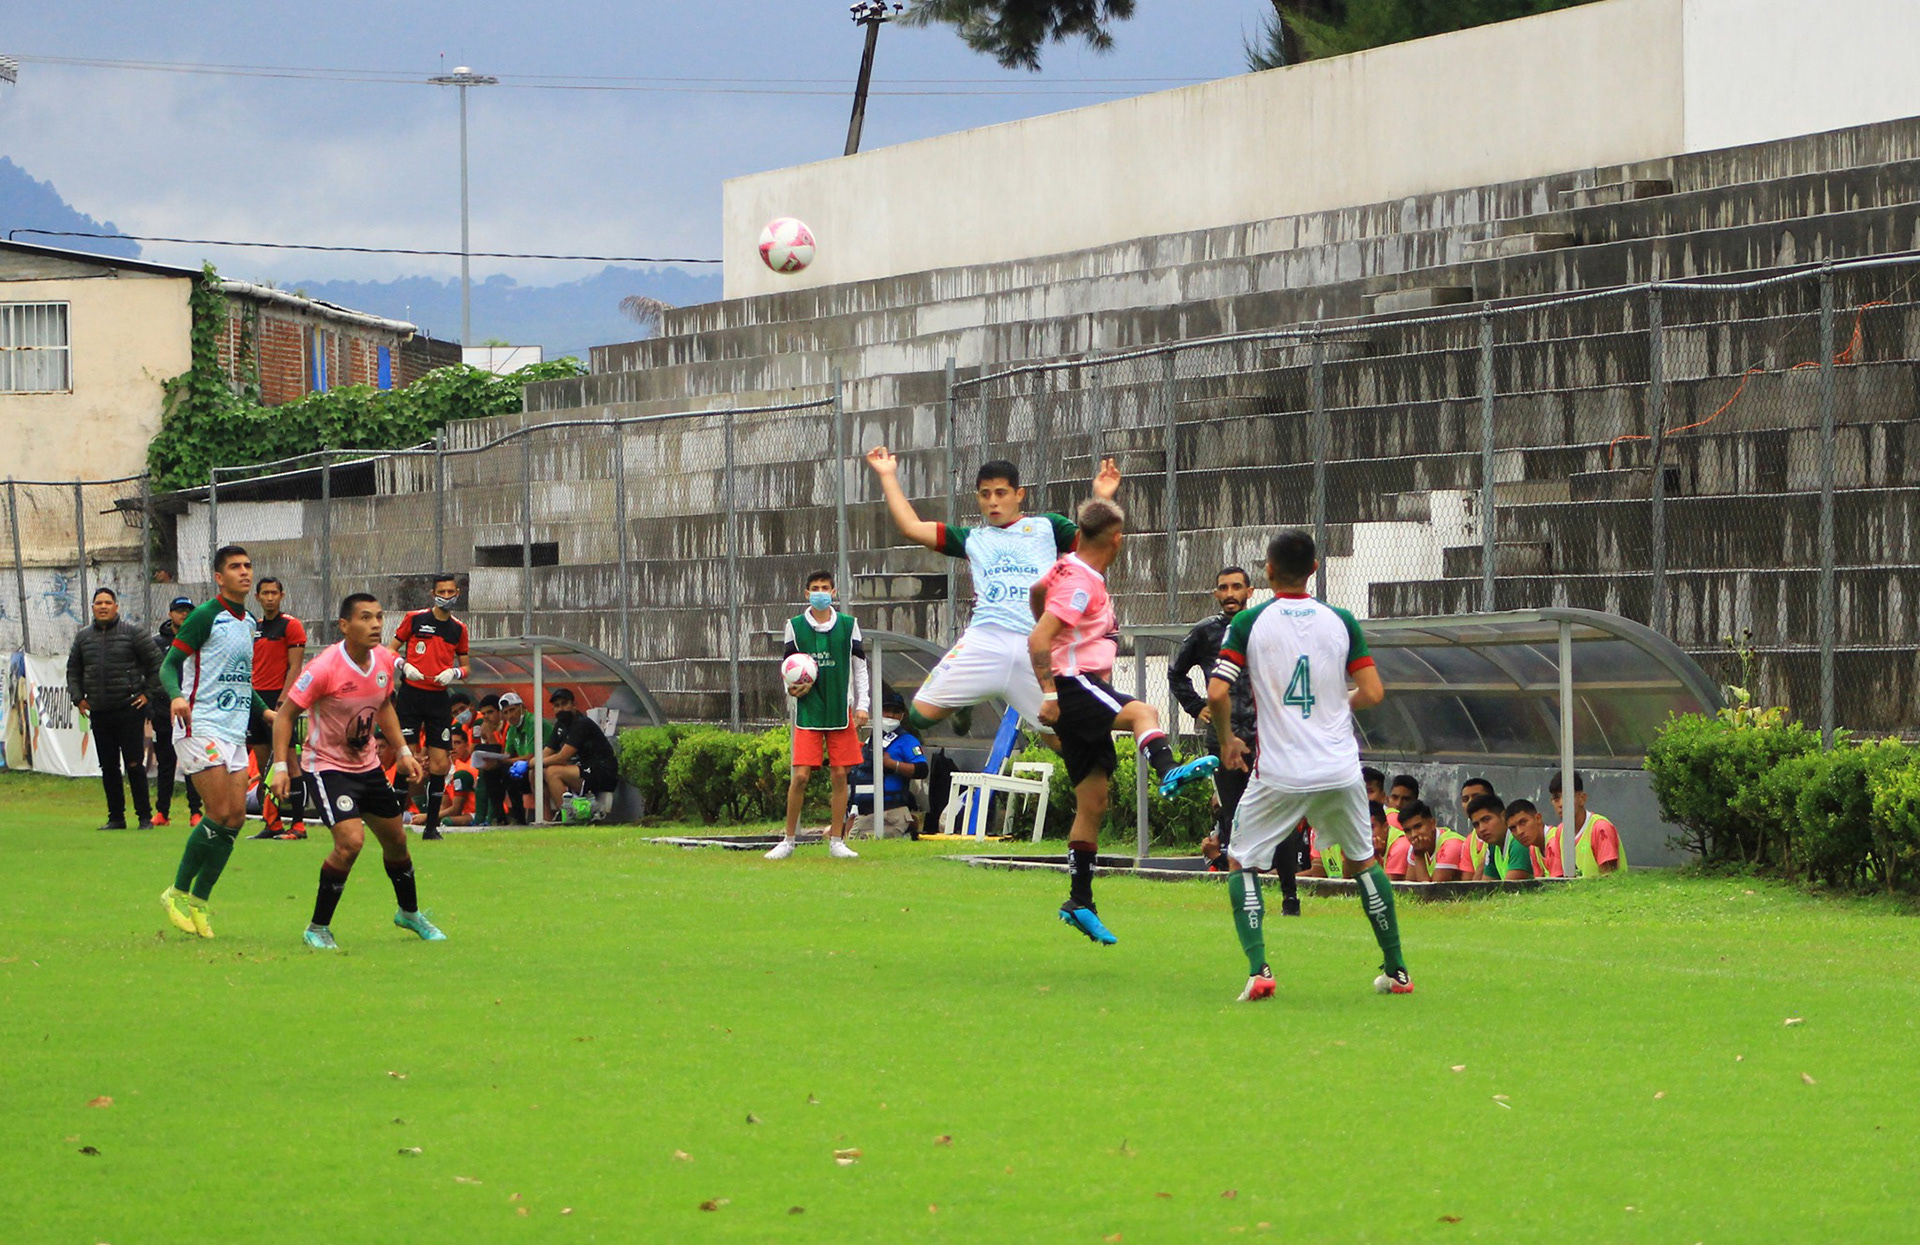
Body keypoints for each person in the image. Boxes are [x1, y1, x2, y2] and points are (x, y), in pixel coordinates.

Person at [1206, 528, 1411, 1000]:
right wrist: (1336, 707)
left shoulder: (1250, 622)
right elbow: (1375, 692)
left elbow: (1217, 691)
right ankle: (1397, 971)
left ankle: (1260, 969)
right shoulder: (1340, 620)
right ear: (1315, 570)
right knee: (1363, 862)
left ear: (1268, 571)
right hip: (1339, 767)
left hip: (1280, 770)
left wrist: (1227, 739)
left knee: (1242, 860)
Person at [1029, 498, 1215, 945]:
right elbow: (1039, 637)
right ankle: (1168, 770)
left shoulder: (1065, 565)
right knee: (1142, 713)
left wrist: (1101, 492)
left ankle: (1079, 901)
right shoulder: (1082, 582)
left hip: (1076, 684)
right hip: (1075, 684)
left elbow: (1038, 594)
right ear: (1118, 540)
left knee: (1093, 801)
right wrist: (1051, 692)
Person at [865, 447, 1121, 737]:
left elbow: (1091, 544)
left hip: (1034, 645)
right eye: (985, 494)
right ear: (978, 498)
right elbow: (912, 528)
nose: (993, 501)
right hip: (985, 639)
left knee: (1066, 741)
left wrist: (1103, 497)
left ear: (1019, 494)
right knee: (920, 715)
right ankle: (965, 703)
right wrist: (887, 475)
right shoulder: (973, 538)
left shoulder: (1046, 526)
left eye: (1001, 493)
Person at [273, 592, 445, 950]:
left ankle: (409, 914)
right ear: (344, 625)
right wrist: (279, 766)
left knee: (397, 842)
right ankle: (317, 928)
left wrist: (402, 752)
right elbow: (286, 715)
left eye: (379, 617)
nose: (376, 625)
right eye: (366, 618)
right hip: (327, 767)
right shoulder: (323, 667)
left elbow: (384, 707)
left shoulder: (383, 660)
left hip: (367, 766)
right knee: (351, 842)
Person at [158, 546, 270, 939]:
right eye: (235, 567)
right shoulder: (206, 616)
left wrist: (265, 712)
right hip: (199, 724)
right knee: (219, 809)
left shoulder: (249, 622)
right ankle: (176, 892)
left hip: (234, 729)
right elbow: (169, 665)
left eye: (248, 565)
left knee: (236, 818)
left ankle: (200, 901)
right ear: (219, 578)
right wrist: (175, 696)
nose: (244, 572)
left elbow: (242, 678)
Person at [766, 571, 872, 859]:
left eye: (825, 588)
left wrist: (864, 704)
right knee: (800, 777)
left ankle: (837, 841)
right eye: (815, 588)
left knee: (840, 775)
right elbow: (788, 667)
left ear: (834, 593)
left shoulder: (849, 625)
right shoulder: (795, 626)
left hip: (840, 710)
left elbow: (859, 666)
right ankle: (788, 840)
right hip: (809, 713)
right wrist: (791, 689)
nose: (820, 592)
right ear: (806, 593)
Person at [66, 587, 162, 830]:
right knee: (108, 766)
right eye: (99, 603)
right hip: (99, 711)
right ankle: (116, 818)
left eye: (108, 602)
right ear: (92, 608)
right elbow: (73, 670)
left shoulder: (134, 633)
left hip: (128, 708)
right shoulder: (83, 637)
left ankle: (144, 817)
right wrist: (78, 698)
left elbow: (158, 665)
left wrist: (147, 694)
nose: (103, 607)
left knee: (133, 764)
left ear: (116, 607)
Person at [388, 573, 470, 841]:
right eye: (441, 592)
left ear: (457, 592)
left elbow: (467, 666)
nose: (446, 596)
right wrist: (403, 665)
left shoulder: (459, 629)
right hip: (411, 696)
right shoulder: (415, 619)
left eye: (450, 592)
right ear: (433, 593)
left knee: (440, 763)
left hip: (438, 700)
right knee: (406, 760)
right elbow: (389, 651)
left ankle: (431, 827)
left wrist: (455, 674)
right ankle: (394, 824)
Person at [247, 577, 310, 840]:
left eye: (274, 593)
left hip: (280, 701)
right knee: (264, 765)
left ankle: (298, 825)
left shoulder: (290, 625)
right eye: (265, 593)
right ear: (258, 597)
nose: (270, 597)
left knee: (290, 763)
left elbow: (295, 667)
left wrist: (284, 702)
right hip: (256, 702)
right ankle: (272, 823)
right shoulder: (255, 627)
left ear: (282, 595)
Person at [841, 688, 930, 838]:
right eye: (886, 710)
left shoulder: (907, 741)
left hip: (890, 813)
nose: (890, 715)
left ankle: (907, 830)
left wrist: (892, 764)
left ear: (902, 715)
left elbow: (922, 770)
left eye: (895, 712)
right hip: (864, 812)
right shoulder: (873, 738)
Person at [150, 596, 202, 827]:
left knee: (193, 761)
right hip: (163, 710)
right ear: (170, 614)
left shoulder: (199, 639)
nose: (184, 615)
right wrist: (152, 706)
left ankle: (195, 812)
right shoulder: (156, 643)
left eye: (188, 611)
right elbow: (150, 674)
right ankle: (162, 812)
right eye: (179, 611)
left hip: (192, 711)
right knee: (166, 763)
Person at [541, 687, 620, 819]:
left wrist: (532, 763)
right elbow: (547, 752)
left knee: (552, 772)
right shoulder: (560, 725)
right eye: (557, 705)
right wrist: (532, 765)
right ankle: (545, 817)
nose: (561, 709)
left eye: (564, 704)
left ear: (573, 705)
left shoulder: (581, 724)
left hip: (601, 771)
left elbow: (562, 757)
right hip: (583, 769)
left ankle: (569, 815)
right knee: (536, 772)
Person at [1548, 771, 1628, 876]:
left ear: (1582, 798)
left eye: (1567, 796)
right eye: (1556, 798)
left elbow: (1609, 880)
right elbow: (1558, 881)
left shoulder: (1600, 828)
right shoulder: (1560, 832)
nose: (1561, 804)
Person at [500, 693, 557, 824]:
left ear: (522, 707)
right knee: (493, 772)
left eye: (512, 710)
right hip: (527, 766)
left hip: (546, 763)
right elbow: (508, 754)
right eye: (506, 712)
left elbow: (532, 756)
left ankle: (544, 818)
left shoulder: (533, 722)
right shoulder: (512, 729)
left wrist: (505, 761)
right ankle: (502, 817)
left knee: (532, 772)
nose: (510, 716)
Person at [1466, 792, 1532, 881]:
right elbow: (1486, 888)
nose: (1481, 829)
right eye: (1476, 825)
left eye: (1486, 820)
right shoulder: (1492, 846)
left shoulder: (1518, 841)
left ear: (1503, 816)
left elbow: (1509, 888)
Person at [437, 731, 479, 828]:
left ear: (467, 745)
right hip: (463, 813)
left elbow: (456, 809)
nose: (453, 747)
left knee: (446, 821)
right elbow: (444, 805)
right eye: (450, 743)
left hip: (476, 813)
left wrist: (427, 817)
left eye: (457, 743)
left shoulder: (464, 769)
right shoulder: (451, 769)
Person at [1385, 801, 1435, 882]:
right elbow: (1409, 888)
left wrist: (1419, 856)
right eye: (1407, 830)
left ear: (1433, 823)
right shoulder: (1415, 847)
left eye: (1418, 826)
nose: (1413, 835)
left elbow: (1432, 893)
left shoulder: (1450, 846)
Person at [1505, 798, 1550, 878]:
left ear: (1538, 818)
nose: (1519, 832)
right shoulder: (1533, 849)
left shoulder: (1555, 838)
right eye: (1513, 828)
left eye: (1523, 822)